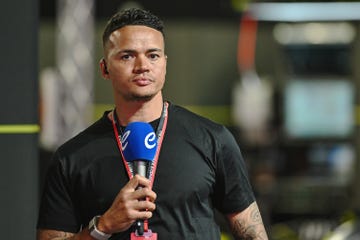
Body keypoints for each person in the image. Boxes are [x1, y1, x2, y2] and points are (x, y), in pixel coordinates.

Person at [37, 8, 269, 240]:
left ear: (165, 64)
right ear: (104, 68)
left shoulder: (212, 139)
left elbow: (252, 234)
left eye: (153, 55)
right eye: (127, 56)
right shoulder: (72, 157)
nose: (142, 65)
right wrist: (103, 226)